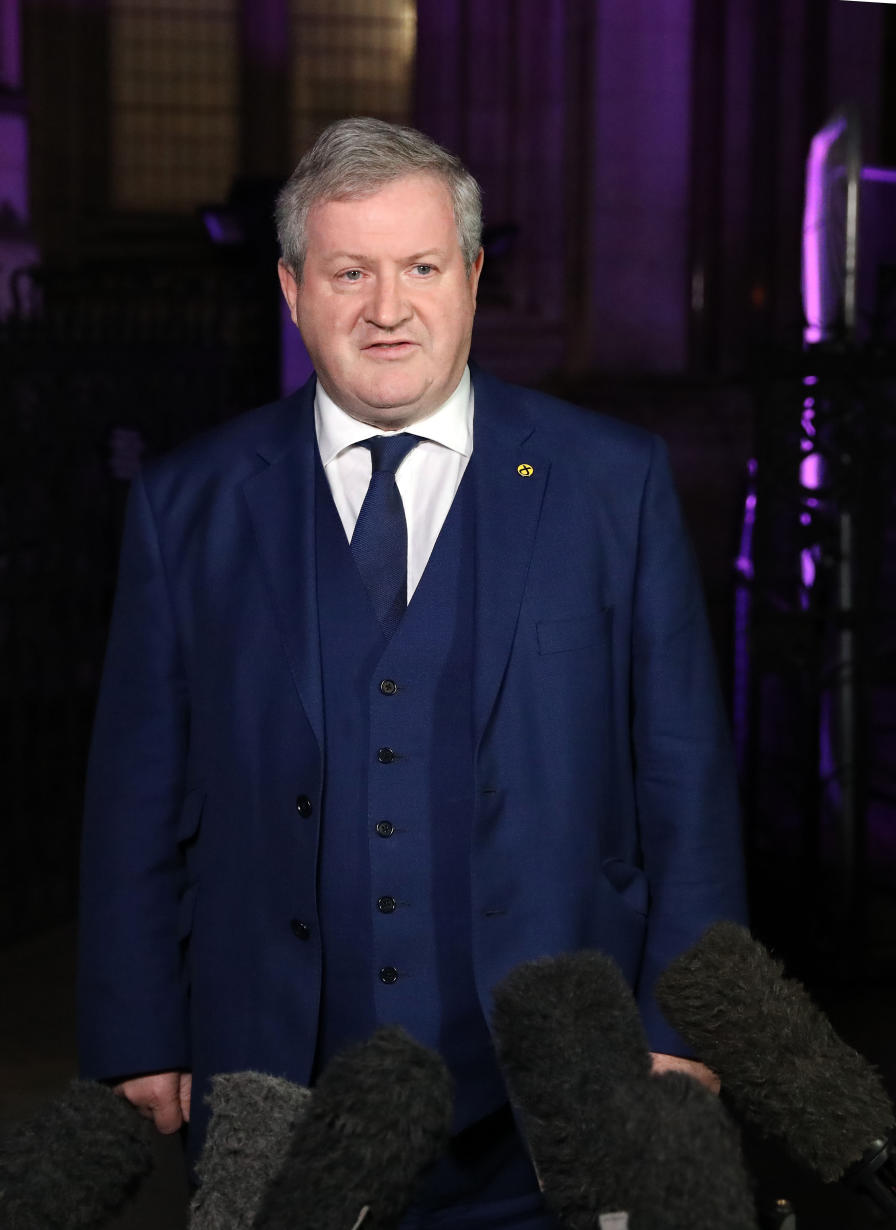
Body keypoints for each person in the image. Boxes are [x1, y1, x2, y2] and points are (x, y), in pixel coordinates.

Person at [77, 116, 746, 1227]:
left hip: (554, 1100)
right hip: (274, 1092)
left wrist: (686, 1029)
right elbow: (137, 793)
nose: (388, 308)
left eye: (422, 267)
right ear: (292, 289)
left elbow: (685, 780)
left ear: (473, 277)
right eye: (350, 272)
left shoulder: (608, 483)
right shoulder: (191, 505)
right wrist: (137, 1030)